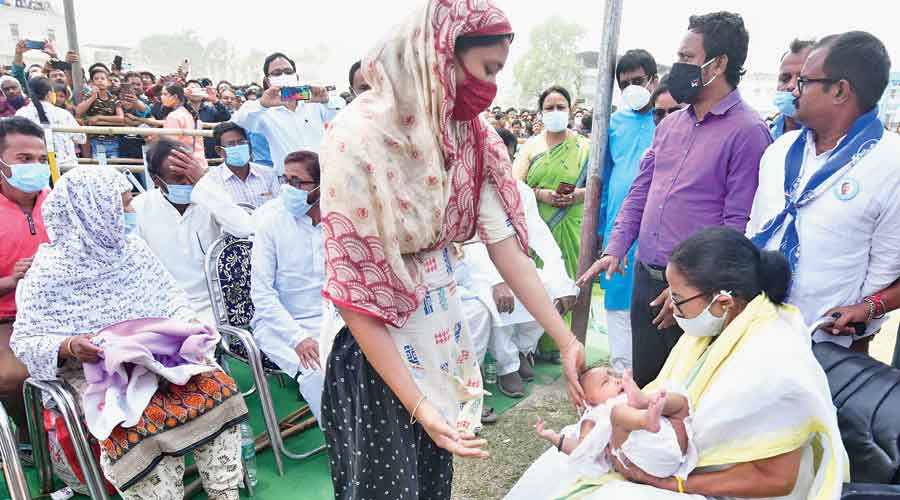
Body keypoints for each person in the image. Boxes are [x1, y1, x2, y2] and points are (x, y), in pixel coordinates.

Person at [317, 1, 587, 498]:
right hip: (380, 360)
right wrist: (418, 405)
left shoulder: (470, 134)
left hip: (439, 337)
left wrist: (567, 341)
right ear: (438, 52)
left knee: (432, 485)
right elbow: (356, 295)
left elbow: (504, 245)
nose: (490, 88)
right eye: (487, 69)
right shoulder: (358, 138)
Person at [510, 228, 848, 500]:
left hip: (720, 488)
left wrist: (673, 485)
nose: (669, 307)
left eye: (677, 299)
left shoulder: (775, 363)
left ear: (723, 301)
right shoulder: (724, 324)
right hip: (685, 467)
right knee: (560, 465)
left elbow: (776, 479)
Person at [11, 166, 247, 500]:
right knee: (137, 425)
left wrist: (188, 326)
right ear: (91, 213)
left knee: (217, 389)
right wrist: (69, 346)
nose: (129, 213)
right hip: (97, 370)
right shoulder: (49, 272)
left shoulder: (132, 250)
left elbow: (171, 296)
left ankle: (224, 491)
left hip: (159, 353)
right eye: (121, 207)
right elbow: (25, 341)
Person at [578, 12, 772, 388]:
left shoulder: (748, 132)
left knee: (688, 397)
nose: (678, 66)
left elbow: (737, 227)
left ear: (719, 64)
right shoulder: (670, 125)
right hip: (646, 279)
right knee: (647, 388)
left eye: (686, 58)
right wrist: (615, 248)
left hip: (699, 294)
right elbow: (641, 191)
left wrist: (695, 287)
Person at [748, 31, 900, 353]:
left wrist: (868, 310)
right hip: (755, 329)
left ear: (840, 90)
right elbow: (755, 231)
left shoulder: (892, 162)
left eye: (803, 81)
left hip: (830, 346)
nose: (792, 89)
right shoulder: (779, 151)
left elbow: (889, 269)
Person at [461, 127, 578, 398]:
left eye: (507, 158)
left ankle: (524, 349)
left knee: (552, 288)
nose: (501, 165)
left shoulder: (520, 191)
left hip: (514, 261)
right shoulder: (466, 188)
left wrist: (562, 282)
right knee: (494, 298)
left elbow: (539, 235)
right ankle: (507, 366)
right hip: (476, 266)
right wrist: (496, 280)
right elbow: (471, 245)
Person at [131, 139, 254, 323]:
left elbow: (245, 229)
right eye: (179, 178)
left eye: (192, 177)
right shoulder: (140, 207)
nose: (188, 183)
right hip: (164, 307)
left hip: (215, 306)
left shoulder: (208, 197)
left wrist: (203, 181)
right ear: (157, 180)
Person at [250, 150, 325, 421]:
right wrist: (298, 338)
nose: (288, 189)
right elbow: (262, 295)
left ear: (320, 186)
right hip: (279, 325)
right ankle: (342, 447)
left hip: (330, 319)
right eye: (285, 179)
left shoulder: (337, 220)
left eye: (297, 182)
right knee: (317, 373)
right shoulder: (270, 223)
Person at [597, 49, 659, 373]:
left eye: (638, 81)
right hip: (616, 229)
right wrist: (600, 232)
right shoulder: (612, 125)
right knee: (617, 298)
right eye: (625, 84)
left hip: (654, 227)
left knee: (651, 299)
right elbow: (605, 180)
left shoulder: (668, 120)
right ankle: (622, 372)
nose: (632, 88)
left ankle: (648, 373)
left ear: (654, 80)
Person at [531, 367, 692, 485]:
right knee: (617, 412)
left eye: (614, 375)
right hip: (646, 459)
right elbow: (581, 449)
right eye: (605, 382)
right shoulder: (594, 417)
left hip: (677, 447)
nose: (616, 379)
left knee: (681, 402)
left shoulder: (628, 395)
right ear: (589, 400)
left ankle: (643, 404)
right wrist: (553, 437)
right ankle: (645, 420)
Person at [0, 117, 50, 456]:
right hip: (7, 319)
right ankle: (29, 435)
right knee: (13, 376)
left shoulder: (59, 203)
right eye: (24, 159)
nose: (35, 167)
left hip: (60, 311)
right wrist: (10, 281)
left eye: (41, 159)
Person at [231, 52, 342, 174]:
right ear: (268, 81)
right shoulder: (264, 110)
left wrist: (327, 100)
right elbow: (239, 121)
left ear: (296, 76)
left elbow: (342, 114)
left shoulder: (315, 102)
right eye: (277, 73)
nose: (284, 75)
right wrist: (262, 105)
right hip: (290, 180)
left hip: (322, 175)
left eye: (288, 71)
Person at [15, 76, 85, 168]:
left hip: (34, 166)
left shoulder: (21, 113)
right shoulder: (63, 113)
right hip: (64, 165)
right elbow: (81, 138)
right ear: (49, 94)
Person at [208, 121, 279, 208]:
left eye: (241, 142)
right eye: (231, 144)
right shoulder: (213, 181)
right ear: (219, 150)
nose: (237, 147)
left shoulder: (268, 174)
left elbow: (278, 208)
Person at [76, 64, 124, 159]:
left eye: (102, 78)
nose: (99, 81)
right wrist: (93, 97)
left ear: (108, 82)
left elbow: (120, 118)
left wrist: (98, 118)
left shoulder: (114, 99)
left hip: (112, 140)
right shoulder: (88, 95)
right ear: (92, 82)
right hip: (96, 141)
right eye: (96, 79)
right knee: (101, 167)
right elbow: (79, 111)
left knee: (114, 168)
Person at [771, 39, 816, 139]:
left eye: (803, 79)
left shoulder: (827, 139)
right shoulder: (768, 130)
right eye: (785, 78)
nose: (791, 85)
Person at [157, 84, 208, 167]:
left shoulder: (174, 116)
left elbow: (169, 144)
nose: (161, 97)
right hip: (198, 162)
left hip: (183, 164)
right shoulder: (190, 113)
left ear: (175, 97)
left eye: (165, 94)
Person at [186, 80, 232, 159]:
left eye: (197, 89)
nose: (194, 91)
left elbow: (226, 117)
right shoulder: (181, 110)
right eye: (191, 89)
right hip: (188, 156)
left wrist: (215, 101)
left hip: (210, 157)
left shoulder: (210, 110)